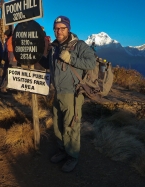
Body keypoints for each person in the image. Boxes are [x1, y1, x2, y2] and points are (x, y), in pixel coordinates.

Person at [42, 16, 96, 172]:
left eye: (62, 28)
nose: (59, 31)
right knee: (58, 125)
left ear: (68, 29)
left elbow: (91, 62)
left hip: (72, 94)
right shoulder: (54, 47)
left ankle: (72, 156)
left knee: (71, 126)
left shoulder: (79, 45)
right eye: (56, 28)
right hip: (57, 93)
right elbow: (49, 65)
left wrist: (71, 58)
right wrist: (36, 55)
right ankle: (62, 150)